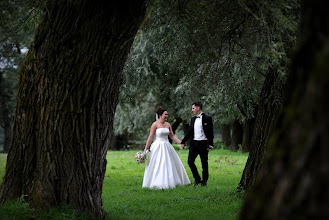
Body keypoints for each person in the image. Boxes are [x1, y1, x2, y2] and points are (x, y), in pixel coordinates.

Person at [142, 106, 191, 189]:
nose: (167, 116)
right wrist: (146, 149)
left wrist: (181, 142)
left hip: (167, 146)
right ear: (160, 115)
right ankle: (157, 182)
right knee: (158, 164)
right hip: (157, 146)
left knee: (169, 163)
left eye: (167, 114)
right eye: (165, 114)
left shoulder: (168, 124)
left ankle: (171, 181)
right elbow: (150, 137)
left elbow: (172, 136)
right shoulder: (155, 124)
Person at [180, 102, 214, 186]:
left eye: (193, 108)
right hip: (194, 143)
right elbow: (190, 131)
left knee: (204, 163)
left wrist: (210, 143)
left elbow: (210, 132)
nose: (192, 110)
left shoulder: (207, 118)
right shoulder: (193, 119)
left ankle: (204, 181)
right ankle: (197, 179)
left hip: (203, 143)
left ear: (198, 108)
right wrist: (183, 141)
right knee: (190, 161)